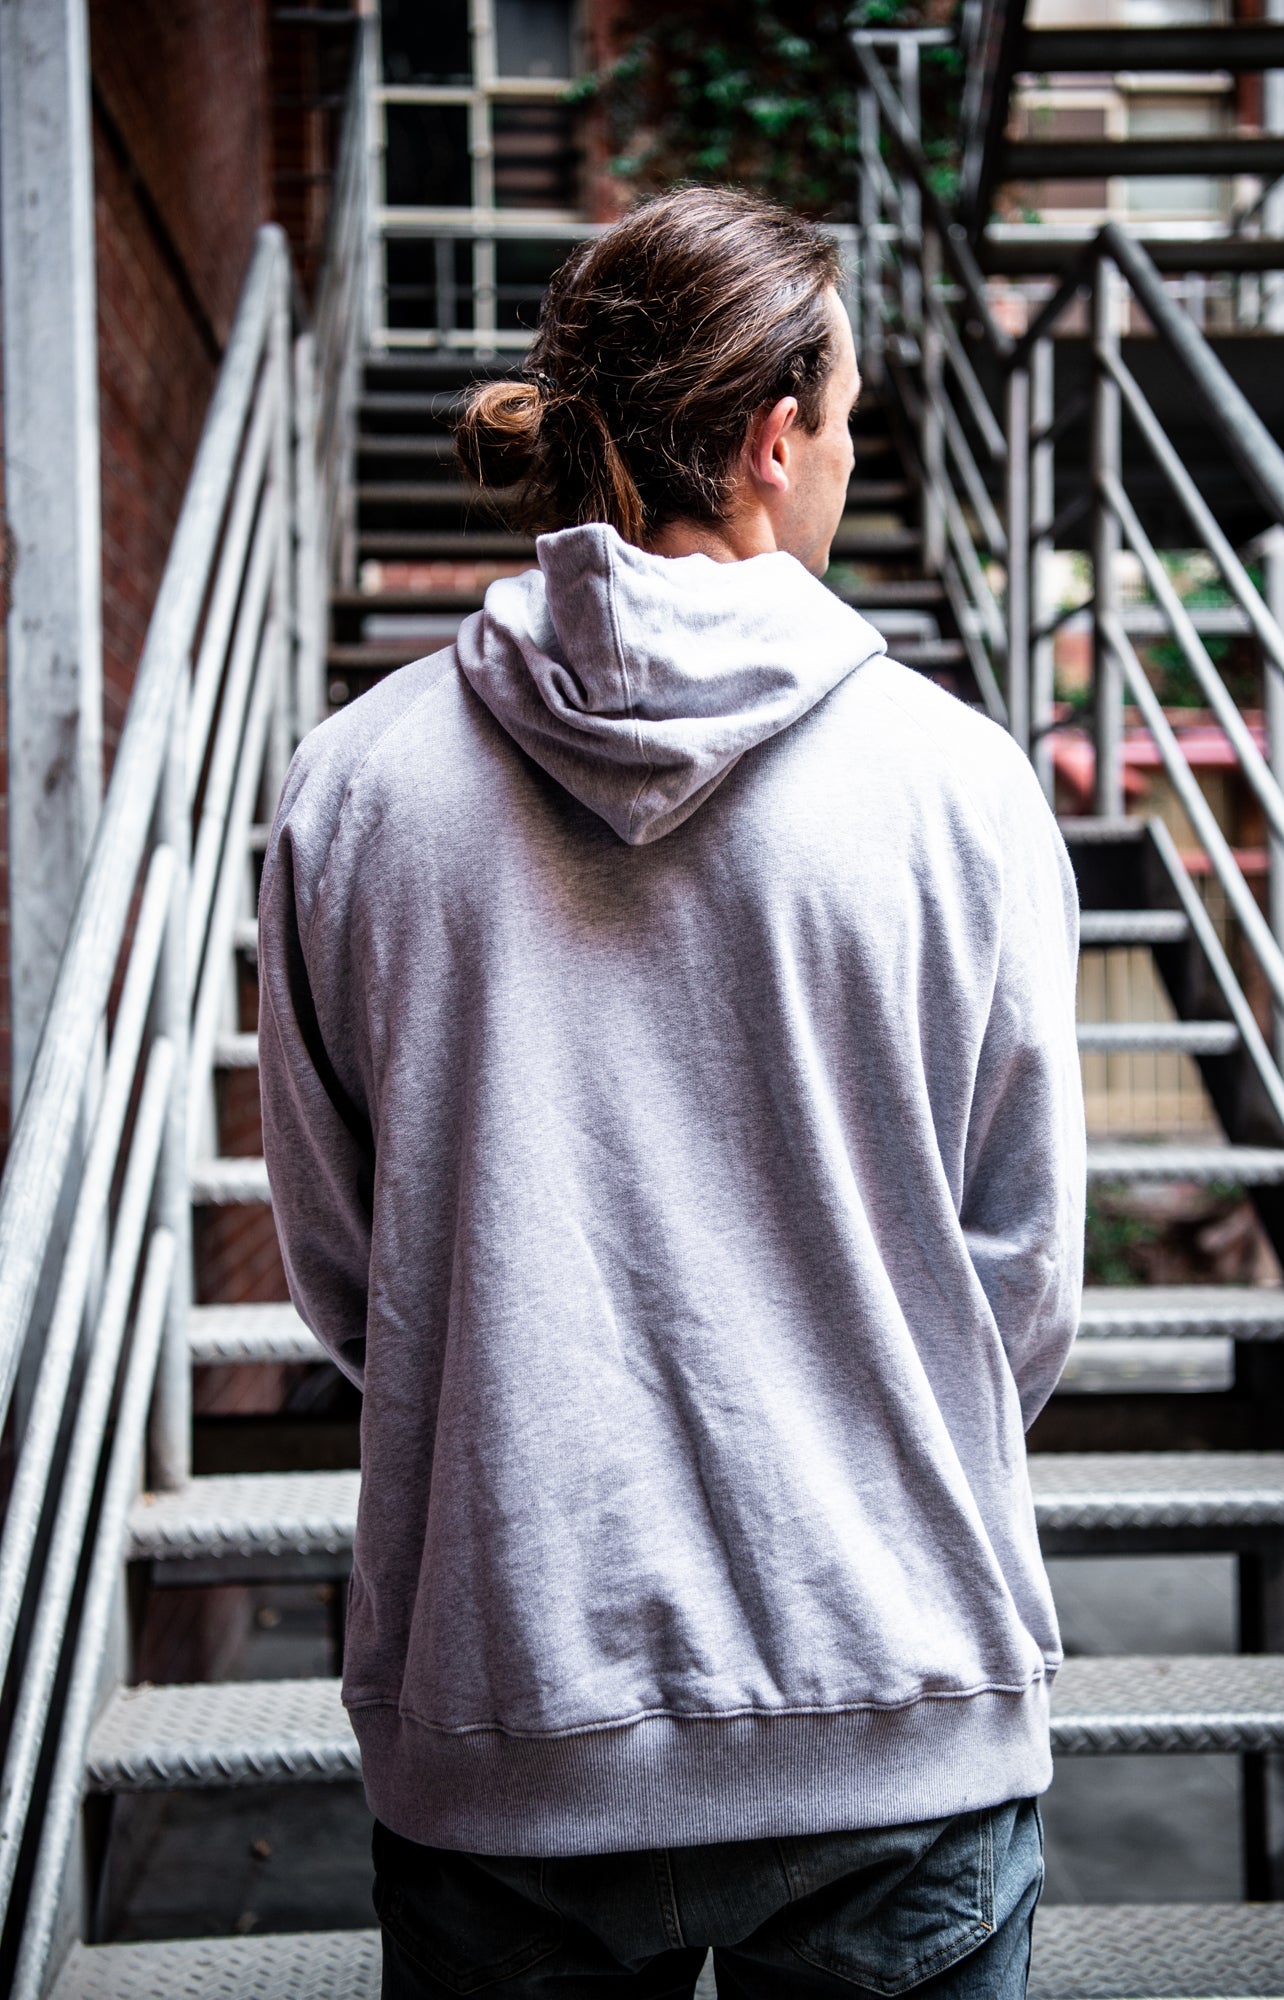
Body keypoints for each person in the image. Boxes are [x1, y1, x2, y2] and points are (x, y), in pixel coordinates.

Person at [258, 185, 1084, 2000]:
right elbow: (1017, 1290)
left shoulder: (352, 792)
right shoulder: (961, 790)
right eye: (852, 418)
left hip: (506, 1712)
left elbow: (344, 1280)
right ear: (777, 441)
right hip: (895, 1701)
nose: (853, 457)